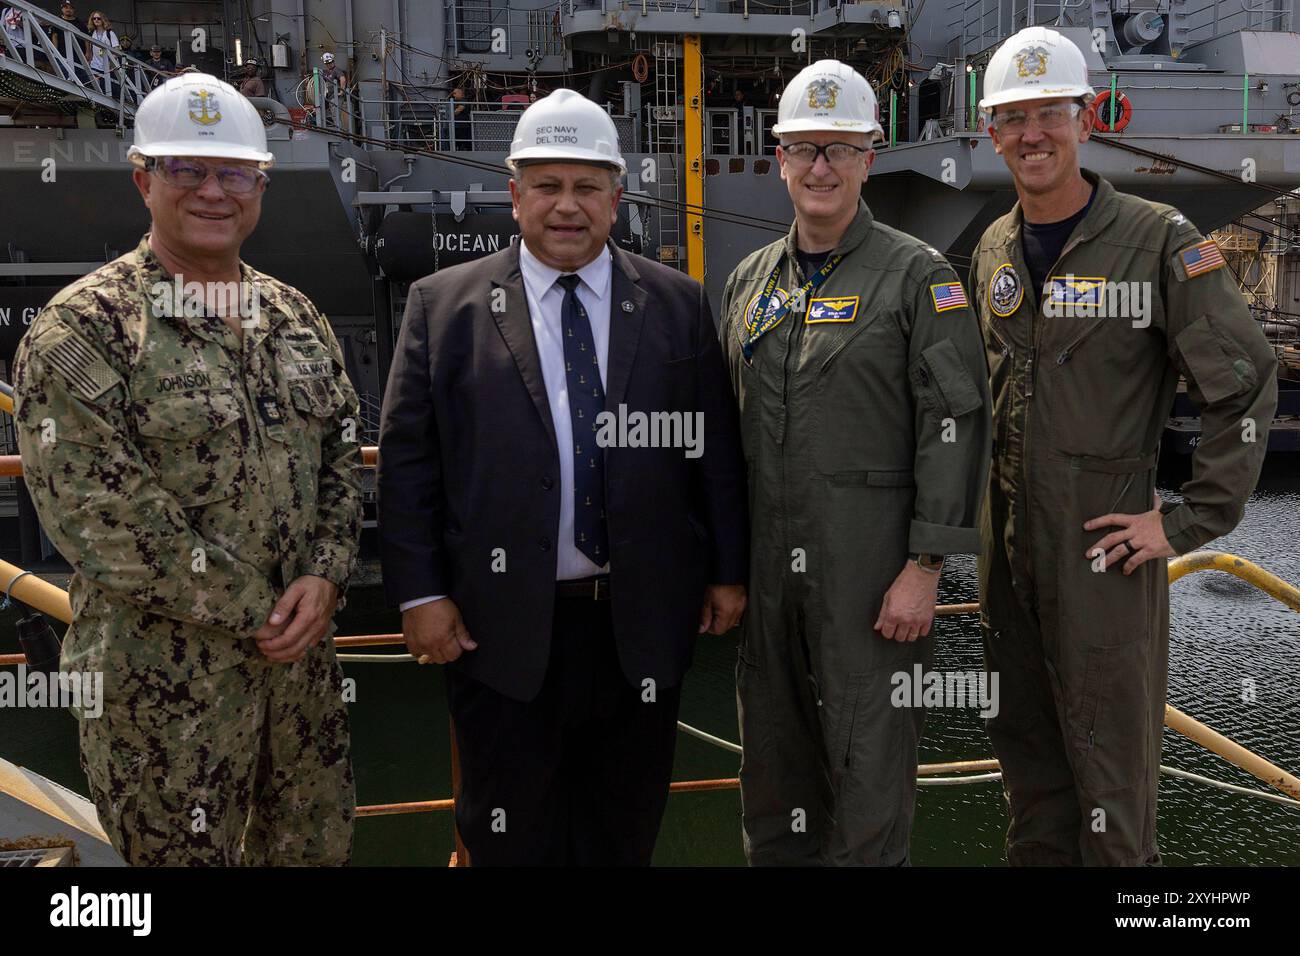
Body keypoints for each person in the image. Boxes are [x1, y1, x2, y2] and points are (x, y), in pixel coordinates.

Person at [378, 87, 749, 866]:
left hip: (638, 629)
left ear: (617, 198)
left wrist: (725, 572)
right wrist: (419, 593)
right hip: (500, 631)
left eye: (587, 187)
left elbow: (712, 451)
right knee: (510, 838)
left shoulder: (679, 305)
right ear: (515, 195)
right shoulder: (442, 308)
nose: (567, 206)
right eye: (548, 185)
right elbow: (409, 461)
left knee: (623, 835)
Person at [12, 73, 363, 866]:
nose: (214, 191)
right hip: (165, 701)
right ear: (144, 180)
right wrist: (265, 611)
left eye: (234, 173)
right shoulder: (86, 328)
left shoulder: (294, 315)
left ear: (260, 187)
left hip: (301, 688)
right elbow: (100, 518)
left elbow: (343, 451)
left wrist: (330, 570)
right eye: (187, 171)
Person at [971, 27, 1278, 866]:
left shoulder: (1158, 238)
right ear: (990, 131)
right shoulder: (993, 248)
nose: (1032, 134)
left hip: (1105, 554)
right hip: (1008, 558)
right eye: (1012, 117)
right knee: (1029, 775)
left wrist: (1185, 523)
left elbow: (1244, 380)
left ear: (1087, 118)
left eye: (1050, 114)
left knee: (1110, 781)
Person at [718, 59, 991, 866]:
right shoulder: (748, 283)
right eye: (804, 149)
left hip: (873, 582)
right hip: (769, 580)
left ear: (871, 158)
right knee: (772, 772)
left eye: (840, 149)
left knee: (869, 781)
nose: (820, 168)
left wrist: (926, 567)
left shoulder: (919, 278)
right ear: (779, 159)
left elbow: (956, 424)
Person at [84, 10, 118, 99]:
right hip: (95, 63)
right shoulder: (92, 33)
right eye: (94, 18)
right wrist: (89, 59)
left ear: (103, 19)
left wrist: (112, 62)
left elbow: (116, 49)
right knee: (96, 86)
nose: (96, 20)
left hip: (108, 66)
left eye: (98, 18)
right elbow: (91, 49)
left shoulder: (109, 33)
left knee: (109, 88)